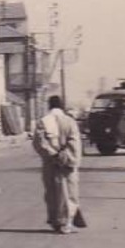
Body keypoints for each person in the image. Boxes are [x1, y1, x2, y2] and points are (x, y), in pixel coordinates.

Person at [33, 95, 86, 234]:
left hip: (50, 163)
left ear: (49, 106)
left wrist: (53, 154)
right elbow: (75, 143)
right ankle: (68, 223)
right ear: (62, 106)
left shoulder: (43, 122)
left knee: (52, 192)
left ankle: (56, 221)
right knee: (70, 192)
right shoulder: (70, 122)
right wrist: (68, 157)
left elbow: (39, 143)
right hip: (68, 163)